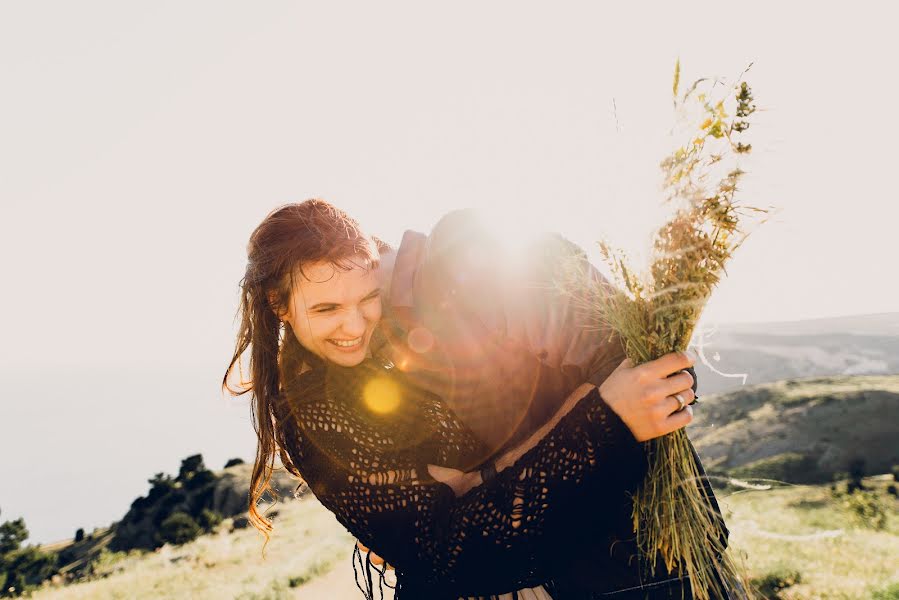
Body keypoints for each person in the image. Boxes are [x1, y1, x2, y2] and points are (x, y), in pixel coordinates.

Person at [223, 200, 723, 599]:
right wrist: (393, 517)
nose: (354, 326)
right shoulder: (306, 402)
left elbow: (643, 362)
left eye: (366, 299)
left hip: (635, 556)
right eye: (327, 309)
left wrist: (473, 483)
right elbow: (441, 544)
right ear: (277, 304)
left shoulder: (467, 271)